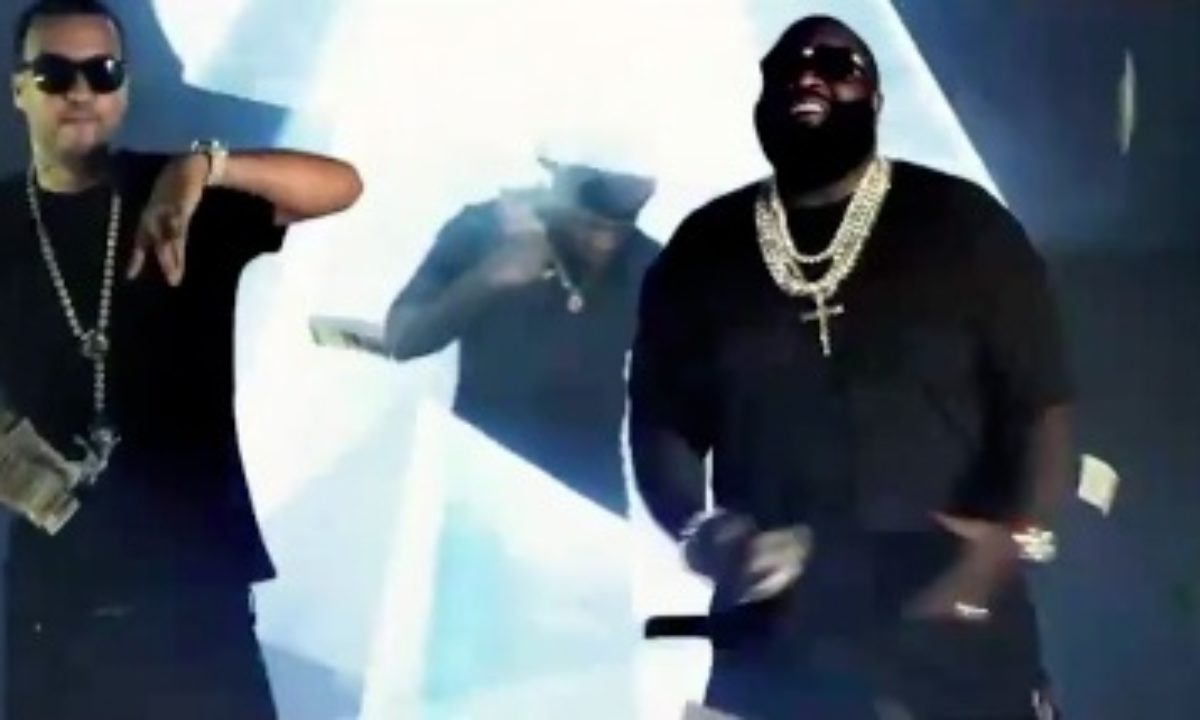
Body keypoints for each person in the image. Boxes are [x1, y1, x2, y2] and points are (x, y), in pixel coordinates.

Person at [630, 15, 1073, 719]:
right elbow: (662, 426)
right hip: (777, 639)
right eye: (787, 69)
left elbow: (1041, 408)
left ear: (876, 99)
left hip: (951, 628)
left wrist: (1003, 550)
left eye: (837, 66)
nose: (808, 76)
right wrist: (701, 529)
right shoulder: (703, 250)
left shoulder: (963, 224)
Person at [0, 1, 362, 718]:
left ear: (125, 87)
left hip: (195, 600)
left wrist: (204, 166)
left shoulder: (180, 196)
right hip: (55, 609)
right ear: (20, 89)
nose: (81, 91)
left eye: (102, 72)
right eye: (55, 74)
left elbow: (341, 186)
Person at [347, 157, 658, 515]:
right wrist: (492, 275)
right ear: (559, 184)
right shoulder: (482, 230)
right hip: (480, 479)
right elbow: (403, 339)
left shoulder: (652, 264)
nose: (604, 243)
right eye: (590, 224)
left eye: (619, 230)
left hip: (588, 497)